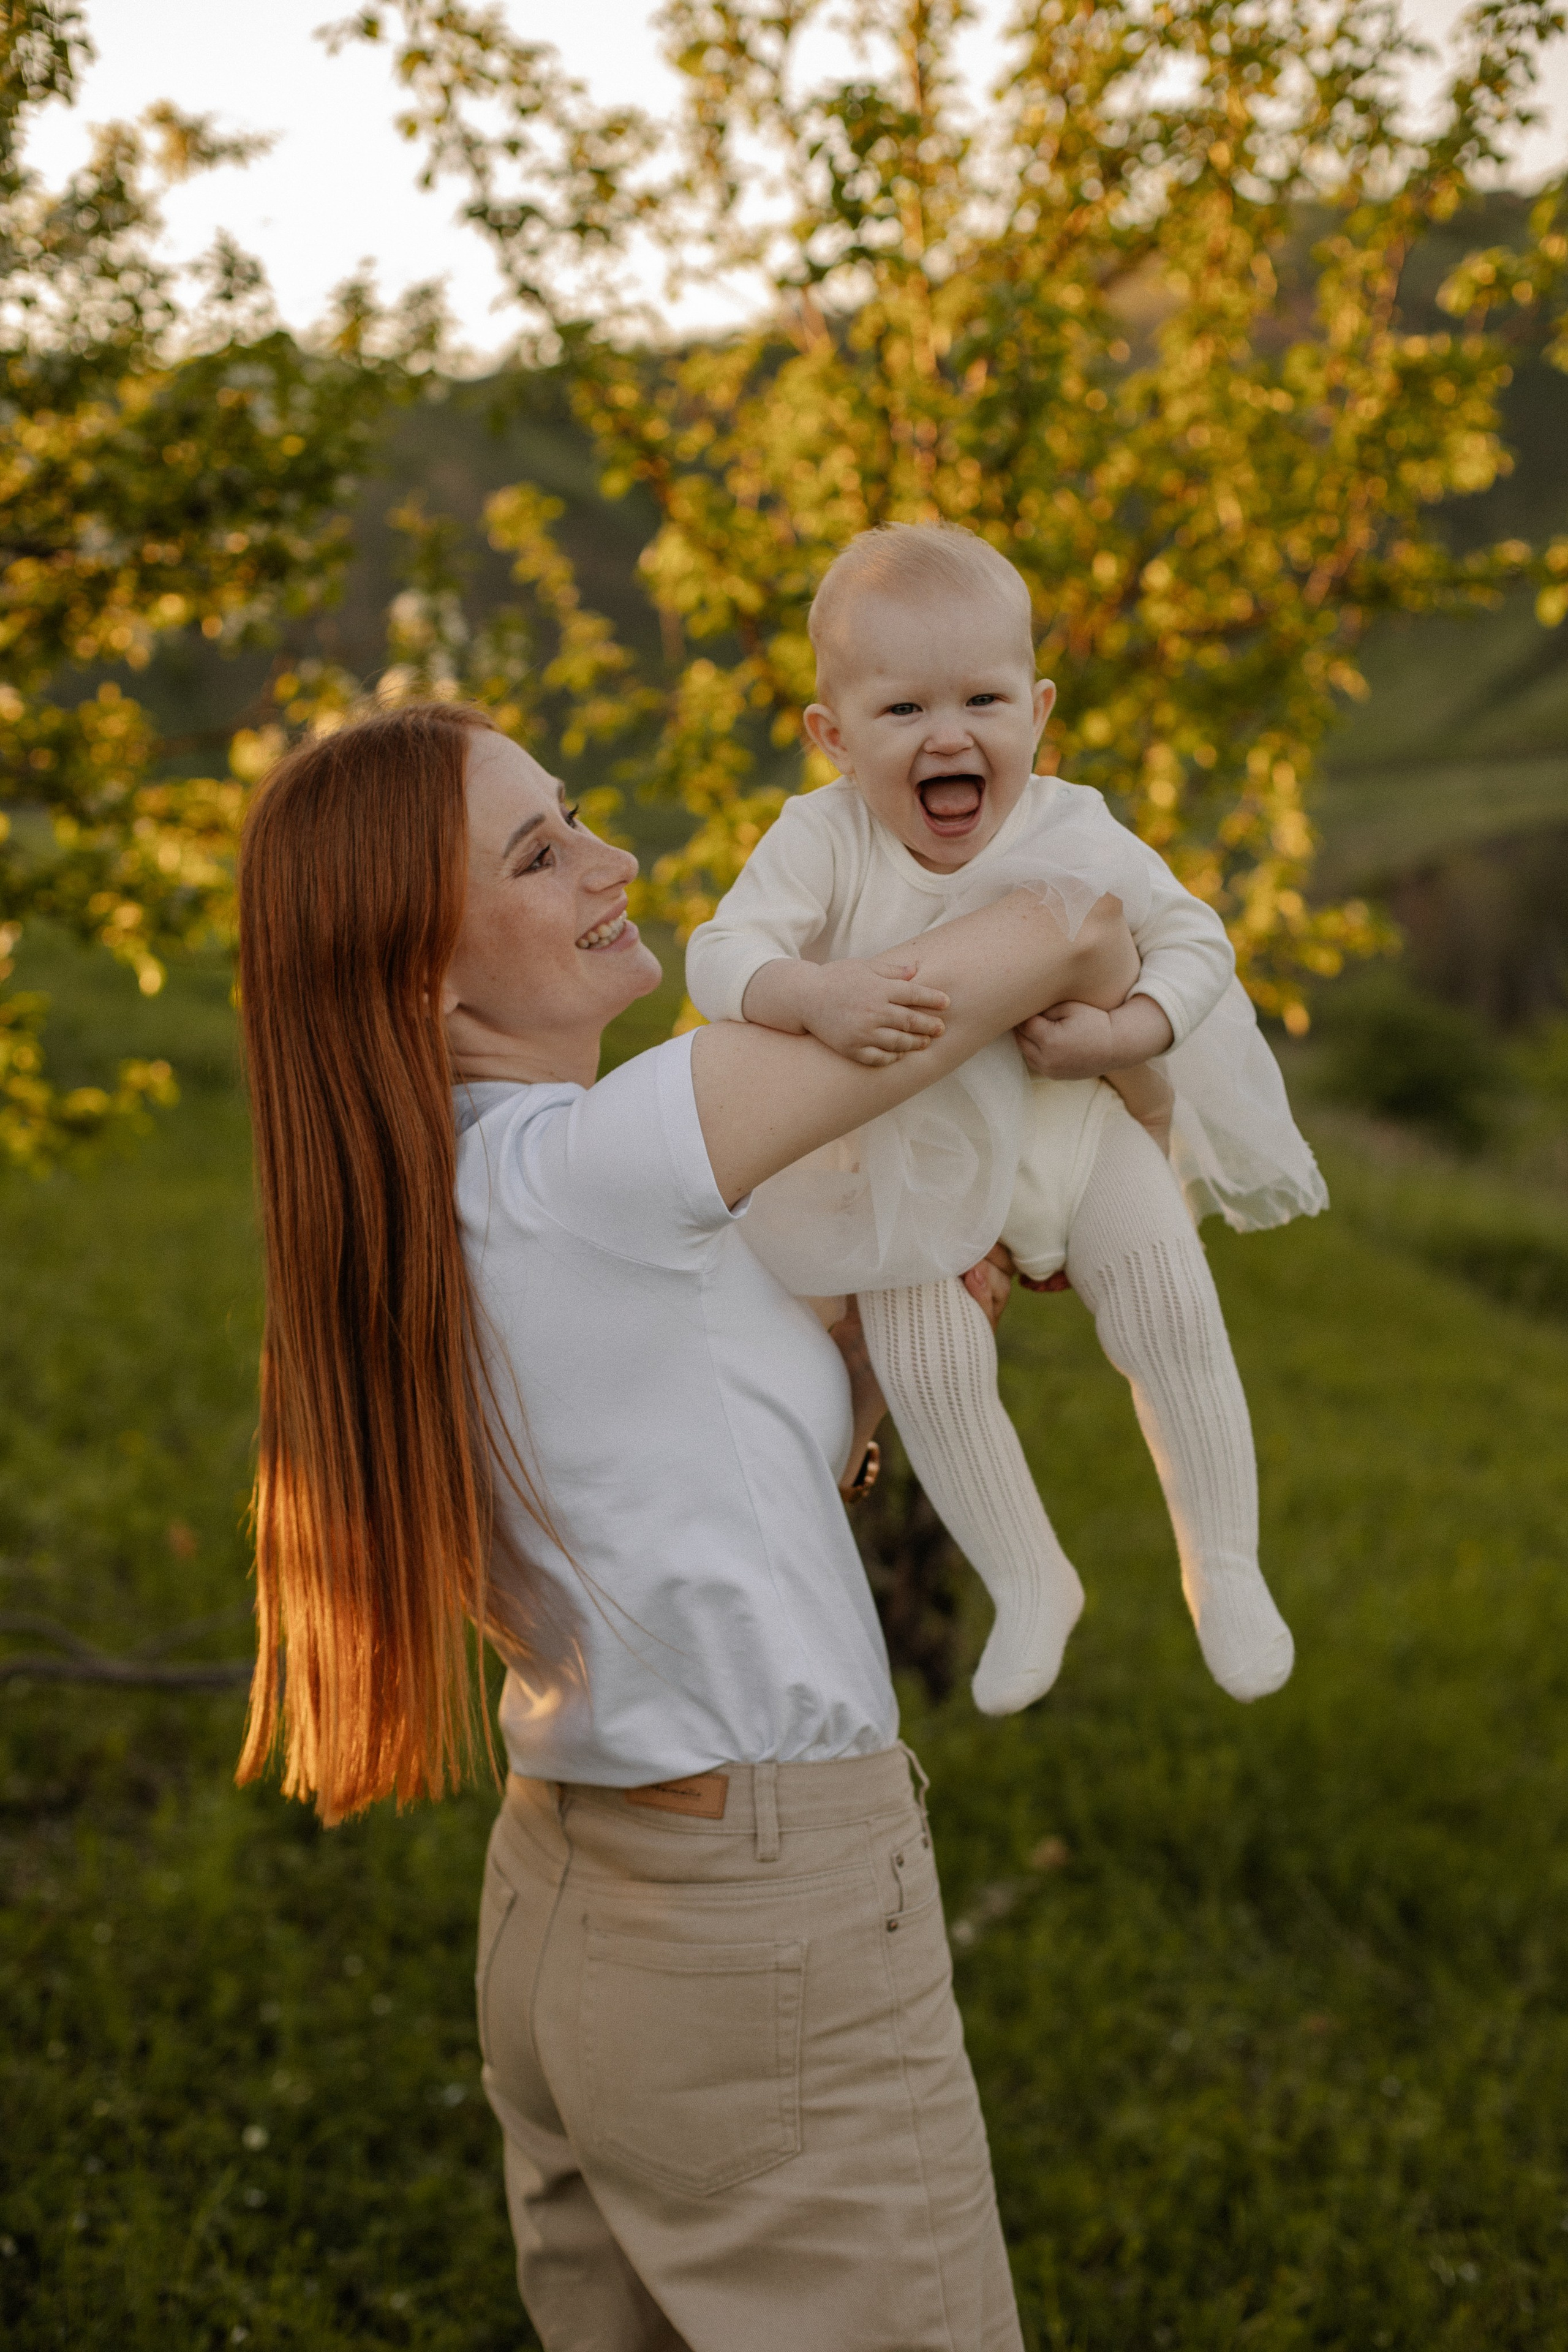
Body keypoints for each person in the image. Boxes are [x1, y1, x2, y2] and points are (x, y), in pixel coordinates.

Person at [233, 698, 1139, 2352]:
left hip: (576, 1905)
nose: (614, 859)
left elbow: (685, 1448)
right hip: (757, 1925)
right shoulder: (603, 1166)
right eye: (539, 850)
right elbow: (1056, 926)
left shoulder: (442, 1197)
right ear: (424, 984)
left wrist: (882, 1350)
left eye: (573, 813)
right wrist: (1081, 926)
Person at [686, 521, 1323, 1716]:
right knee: (928, 1365)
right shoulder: (820, 841)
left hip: (1067, 1128)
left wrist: (1125, 1032)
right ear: (832, 737)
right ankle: (1030, 1577)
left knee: (1170, 1311)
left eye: (982, 699)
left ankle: (1222, 1563)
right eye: (901, 711)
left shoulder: (1071, 822)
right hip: (903, 1168)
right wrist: (811, 993)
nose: (948, 735)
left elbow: (1193, 938)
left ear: (1033, 711)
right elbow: (719, 954)